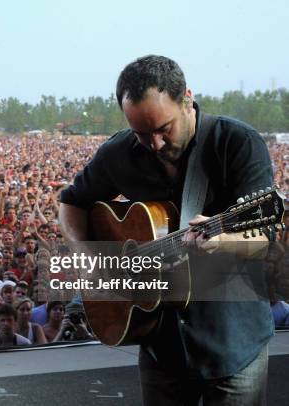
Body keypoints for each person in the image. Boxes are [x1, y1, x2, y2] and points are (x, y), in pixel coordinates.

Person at [59, 55, 273, 405]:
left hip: (233, 339)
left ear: (187, 98)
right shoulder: (119, 153)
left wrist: (223, 241)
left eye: (164, 129)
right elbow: (72, 202)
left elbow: (264, 238)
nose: (155, 144)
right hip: (160, 342)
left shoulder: (237, 144)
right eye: (141, 133)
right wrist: (88, 256)